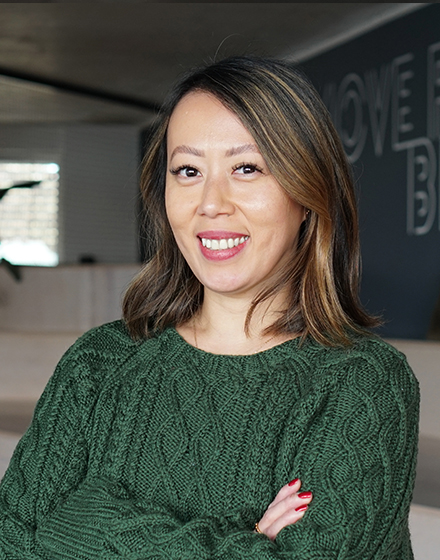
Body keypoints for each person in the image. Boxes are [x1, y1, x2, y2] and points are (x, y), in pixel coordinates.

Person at [0, 56, 419, 559]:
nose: (211, 202)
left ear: (307, 191)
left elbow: (42, 534)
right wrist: (247, 548)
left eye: (246, 168)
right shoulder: (100, 362)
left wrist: (84, 522)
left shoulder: (361, 383)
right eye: (188, 170)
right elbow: (11, 541)